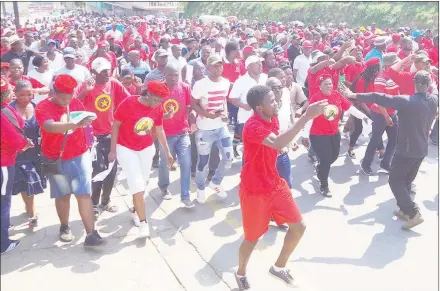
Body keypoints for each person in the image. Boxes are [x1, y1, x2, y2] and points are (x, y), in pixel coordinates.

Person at [235, 84, 327, 290]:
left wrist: (291, 138)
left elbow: (279, 141)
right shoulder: (252, 126)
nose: (276, 102)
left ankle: (279, 267)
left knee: (299, 227)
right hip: (254, 191)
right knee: (252, 239)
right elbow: (275, 143)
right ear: (259, 108)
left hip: (275, 184)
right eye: (271, 100)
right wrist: (306, 117)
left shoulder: (272, 117)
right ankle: (240, 273)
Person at [341, 70, 438, 229]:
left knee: (395, 180)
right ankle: (404, 210)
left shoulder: (407, 101)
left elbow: (378, 97)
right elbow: (434, 91)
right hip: (421, 150)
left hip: (406, 150)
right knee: (406, 180)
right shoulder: (434, 99)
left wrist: (354, 95)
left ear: (414, 84)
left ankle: (413, 213)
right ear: (427, 85)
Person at [35, 74, 105, 247]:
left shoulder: (75, 103)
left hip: (79, 155)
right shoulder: (43, 107)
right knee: (63, 195)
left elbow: (85, 121)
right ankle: (64, 227)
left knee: (83, 194)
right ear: (53, 92)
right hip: (55, 158)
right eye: (62, 97)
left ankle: (91, 233)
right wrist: (75, 124)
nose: (67, 101)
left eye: (69, 96)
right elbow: (50, 126)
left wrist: (87, 122)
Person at [109, 81, 173, 238]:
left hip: (145, 148)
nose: (158, 103)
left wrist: (167, 151)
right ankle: (143, 222)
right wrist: (112, 150)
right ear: (148, 94)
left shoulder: (158, 107)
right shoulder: (129, 103)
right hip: (126, 148)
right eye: (156, 99)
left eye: (161, 101)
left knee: (143, 183)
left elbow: (159, 128)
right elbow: (116, 125)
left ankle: (135, 209)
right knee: (136, 184)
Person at [75, 57, 131, 219]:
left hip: (111, 134)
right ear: (94, 72)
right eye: (103, 72)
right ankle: (93, 203)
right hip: (92, 137)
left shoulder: (113, 83)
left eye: (109, 71)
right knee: (98, 170)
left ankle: (105, 201)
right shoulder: (85, 86)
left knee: (112, 171)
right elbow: (74, 106)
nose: (108, 74)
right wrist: (86, 91)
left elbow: (127, 101)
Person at [302, 74, 368, 197]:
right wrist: (305, 136)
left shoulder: (336, 94)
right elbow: (309, 118)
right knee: (326, 160)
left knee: (334, 156)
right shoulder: (316, 99)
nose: (329, 86)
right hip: (318, 135)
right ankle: (324, 185)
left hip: (334, 132)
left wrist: (362, 116)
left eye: (330, 83)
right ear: (320, 87)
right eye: (326, 84)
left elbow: (349, 107)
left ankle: (320, 167)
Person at [191, 54, 233, 203]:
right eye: (215, 65)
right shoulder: (200, 84)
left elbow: (223, 100)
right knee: (203, 162)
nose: (218, 68)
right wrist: (207, 115)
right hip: (204, 130)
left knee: (229, 157)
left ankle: (215, 182)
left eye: (220, 65)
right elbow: (193, 104)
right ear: (207, 67)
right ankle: (201, 188)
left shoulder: (226, 82)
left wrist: (225, 112)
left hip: (221, 127)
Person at [1, 77, 33, 254]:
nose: (12, 93)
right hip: (4, 164)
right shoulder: (3, 113)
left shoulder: (6, 109)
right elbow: (15, 141)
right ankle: (3, 243)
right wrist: (25, 145)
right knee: (4, 202)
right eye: (9, 91)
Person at [10, 80, 46, 228]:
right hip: (17, 153)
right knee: (27, 182)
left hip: (35, 152)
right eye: (21, 95)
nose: (25, 98)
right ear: (15, 95)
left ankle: (28, 208)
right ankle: (32, 214)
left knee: (28, 184)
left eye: (29, 94)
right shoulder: (8, 110)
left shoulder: (36, 108)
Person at [159, 64, 194, 208]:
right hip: (165, 134)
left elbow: (188, 107)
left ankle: (185, 196)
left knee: (186, 163)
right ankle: (163, 186)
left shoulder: (185, 88)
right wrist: (165, 117)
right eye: (170, 75)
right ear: (164, 76)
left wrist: (190, 123)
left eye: (176, 75)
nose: (173, 78)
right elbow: (153, 112)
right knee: (165, 162)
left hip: (182, 132)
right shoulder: (158, 89)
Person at [360, 53, 400, 175]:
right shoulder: (381, 78)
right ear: (390, 65)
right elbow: (379, 100)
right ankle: (365, 164)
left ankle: (385, 163)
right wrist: (386, 116)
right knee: (375, 140)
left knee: (394, 139)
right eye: (396, 63)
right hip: (380, 114)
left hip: (392, 112)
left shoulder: (394, 76)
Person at [229, 55, 268, 158]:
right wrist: (244, 106)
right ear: (249, 67)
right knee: (250, 151)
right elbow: (232, 98)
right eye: (257, 63)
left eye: (260, 62)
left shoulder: (265, 77)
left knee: (263, 149)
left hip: (264, 119)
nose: (260, 65)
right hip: (247, 120)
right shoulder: (241, 81)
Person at [347, 57, 383, 159]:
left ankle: (381, 151)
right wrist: (369, 113)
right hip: (361, 109)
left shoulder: (373, 77)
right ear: (373, 69)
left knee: (376, 130)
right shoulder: (362, 80)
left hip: (372, 108)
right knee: (358, 129)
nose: (379, 69)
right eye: (378, 67)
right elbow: (360, 99)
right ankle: (350, 148)